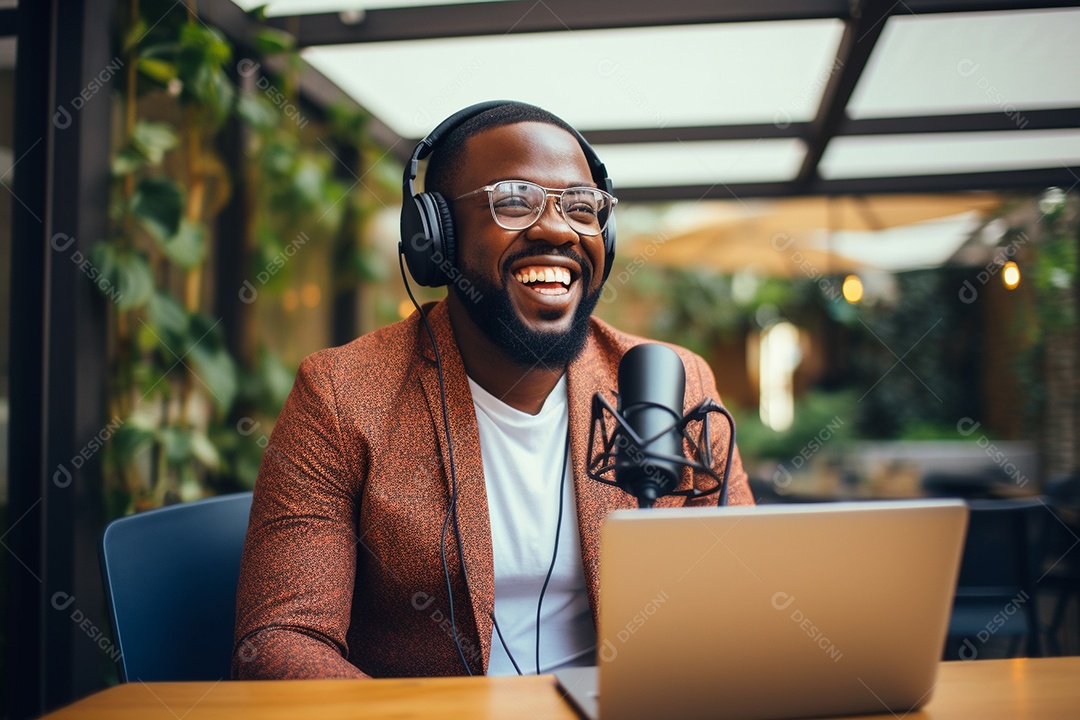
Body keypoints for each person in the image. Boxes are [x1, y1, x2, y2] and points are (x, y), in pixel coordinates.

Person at [232, 101, 754, 680]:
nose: (558, 229)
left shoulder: (670, 383)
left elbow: (741, 605)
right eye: (513, 201)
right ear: (437, 238)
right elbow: (279, 642)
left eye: (582, 207)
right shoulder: (342, 394)